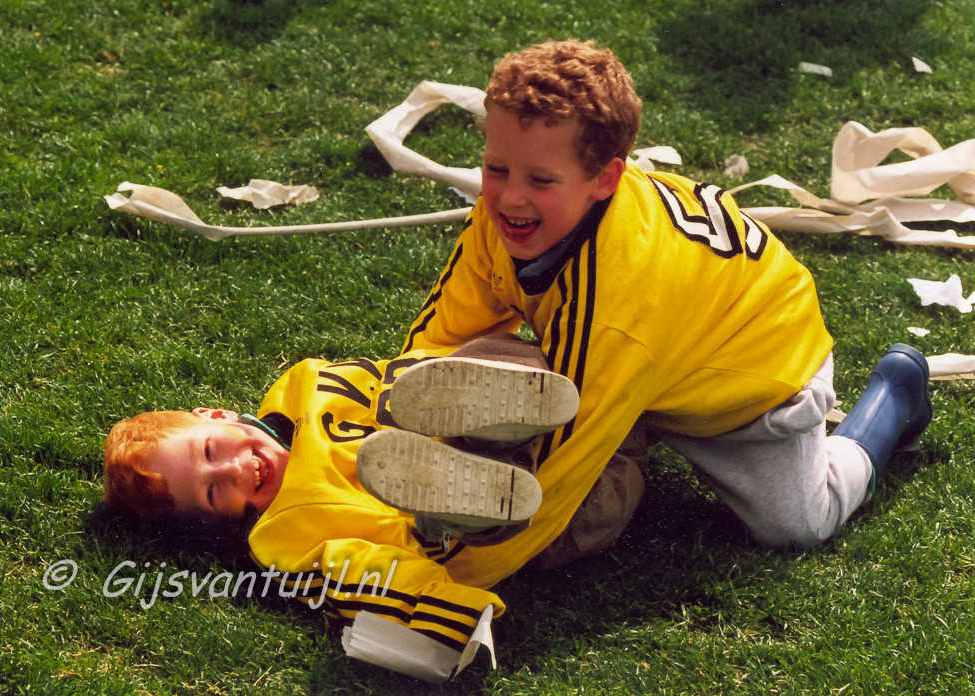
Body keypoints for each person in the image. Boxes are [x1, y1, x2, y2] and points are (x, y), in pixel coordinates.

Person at [397, 39, 933, 554]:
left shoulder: (618, 292)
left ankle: (895, 396)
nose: (511, 196)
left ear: (606, 179)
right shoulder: (502, 218)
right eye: (496, 169)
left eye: (540, 180)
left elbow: (571, 460)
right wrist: (395, 412)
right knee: (483, 367)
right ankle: (609, 424)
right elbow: (440, 336)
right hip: (641, 352)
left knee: (799, 523)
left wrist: (458, 559)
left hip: (751, 374)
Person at [103, 335, 646, 682]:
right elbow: (366, 579)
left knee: (487, 357)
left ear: (216, 415)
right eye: (214, 492)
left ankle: (493, 435)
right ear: (219, 520)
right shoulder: (282, 536)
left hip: (534, 405)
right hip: (548, 508)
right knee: (588, 507)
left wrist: (442, 370)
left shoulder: (306, 386)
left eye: (210, 451)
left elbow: (395, 375)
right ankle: (473, 500)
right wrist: (455, 614)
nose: (235, 469)